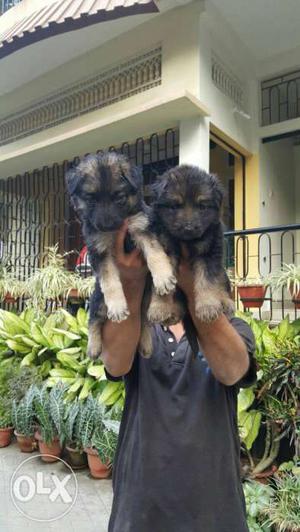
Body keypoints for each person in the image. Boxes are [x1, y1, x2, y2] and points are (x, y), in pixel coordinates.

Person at [101, 221, 257, 532]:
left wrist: (193, 285)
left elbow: (232, 370)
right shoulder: (139, 327)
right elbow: (115, 364)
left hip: (214, 512)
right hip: (139, 510)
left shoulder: (234, 329)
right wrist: (131, 282)